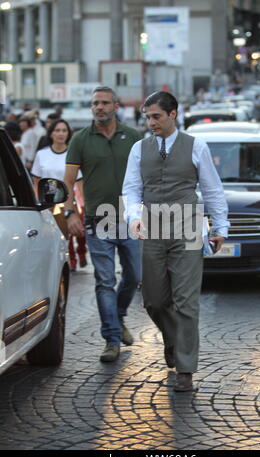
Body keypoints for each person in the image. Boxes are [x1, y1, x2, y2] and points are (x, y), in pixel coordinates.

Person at [122, 91, 229, 392]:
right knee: (154, 300)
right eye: (147, 117)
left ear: (173, 114)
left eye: (156, 116)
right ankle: (173, 339)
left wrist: (219, 227)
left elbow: (212, 190)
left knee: (186, 301)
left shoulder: (197, 147)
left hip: (189, 229)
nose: (151, 122)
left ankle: (185, 369)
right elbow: (131, 189)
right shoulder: (139, 149)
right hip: (152, 228)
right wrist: (134, 217)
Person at [64, 86, 141, 363]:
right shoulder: (81, 139)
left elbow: (148, 176)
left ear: (116, 106)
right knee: (105, 281)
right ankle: (111, 338)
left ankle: (118, 318)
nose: (99, 107)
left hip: (132, 219)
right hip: (99, 220)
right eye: (95, 103)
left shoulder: (133, 137)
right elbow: (68, 182)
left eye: (105, 103)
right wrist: (69, 212)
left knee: (134, 276)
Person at [31, 119, 82, 241]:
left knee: (69, 240)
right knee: (51, 240)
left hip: (69, 202)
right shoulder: (41, 154)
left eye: (64, 130)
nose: (61, 133)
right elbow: (36, 182)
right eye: (57, 130)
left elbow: (79, 182)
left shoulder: (73, 153)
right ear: (51, 133)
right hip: (48, 204)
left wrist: (83, 206)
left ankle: (75, 259)